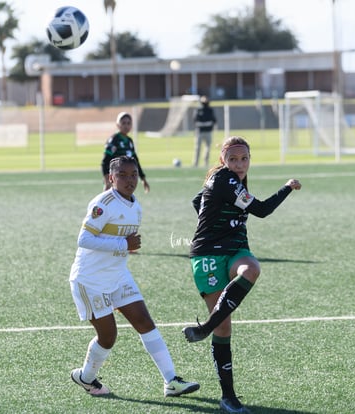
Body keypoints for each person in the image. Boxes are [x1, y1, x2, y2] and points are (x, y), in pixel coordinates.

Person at [182, 136, 302, 413]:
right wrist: (287, 187)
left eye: (244, 159)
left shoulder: (230, 180)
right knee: (224, 328)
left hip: (235, 247)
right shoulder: (225, 179)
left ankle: (204, 327)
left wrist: (215, 217)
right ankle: (228, 397)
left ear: (249, 159)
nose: (239, 164)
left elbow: (197, 200)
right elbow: (261, 210)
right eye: (233, 159)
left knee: (252, 269)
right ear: (223, 159)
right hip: (208, 254)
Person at [70, 155, 199, 397]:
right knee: (108, 338)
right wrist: (123, 243)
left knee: (144, 322)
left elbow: (121, 244)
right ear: (111, 178)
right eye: (123, 175)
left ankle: (171, 380)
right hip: (91, 280)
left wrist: (123, 246)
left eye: (134, 175)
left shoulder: (136, 205)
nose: (130, 180)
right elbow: (83, 239)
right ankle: (86, 378)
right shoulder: (103, 203)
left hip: (118, 276)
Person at [101, 112, 150, 193]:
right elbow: (105, 160)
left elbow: (135, 161)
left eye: (128, 123)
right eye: (123, 123)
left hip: (127, 178)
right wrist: (107, 177)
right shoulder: (114, 140)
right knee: (110, 200)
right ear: (118, 124)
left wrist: (143, 178)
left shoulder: (130, 141)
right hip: (115, 177)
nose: (126, 126)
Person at [192, 96, 217, 168]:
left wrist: (209, 124)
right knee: (197, 148)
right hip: (200, 131)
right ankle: (195, 163)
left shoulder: (210, 110)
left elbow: (214, 120)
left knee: (207, 148)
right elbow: (195, 120)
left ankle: (206, 163)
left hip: (208, 131)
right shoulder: (198, 110)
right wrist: (206, 123)